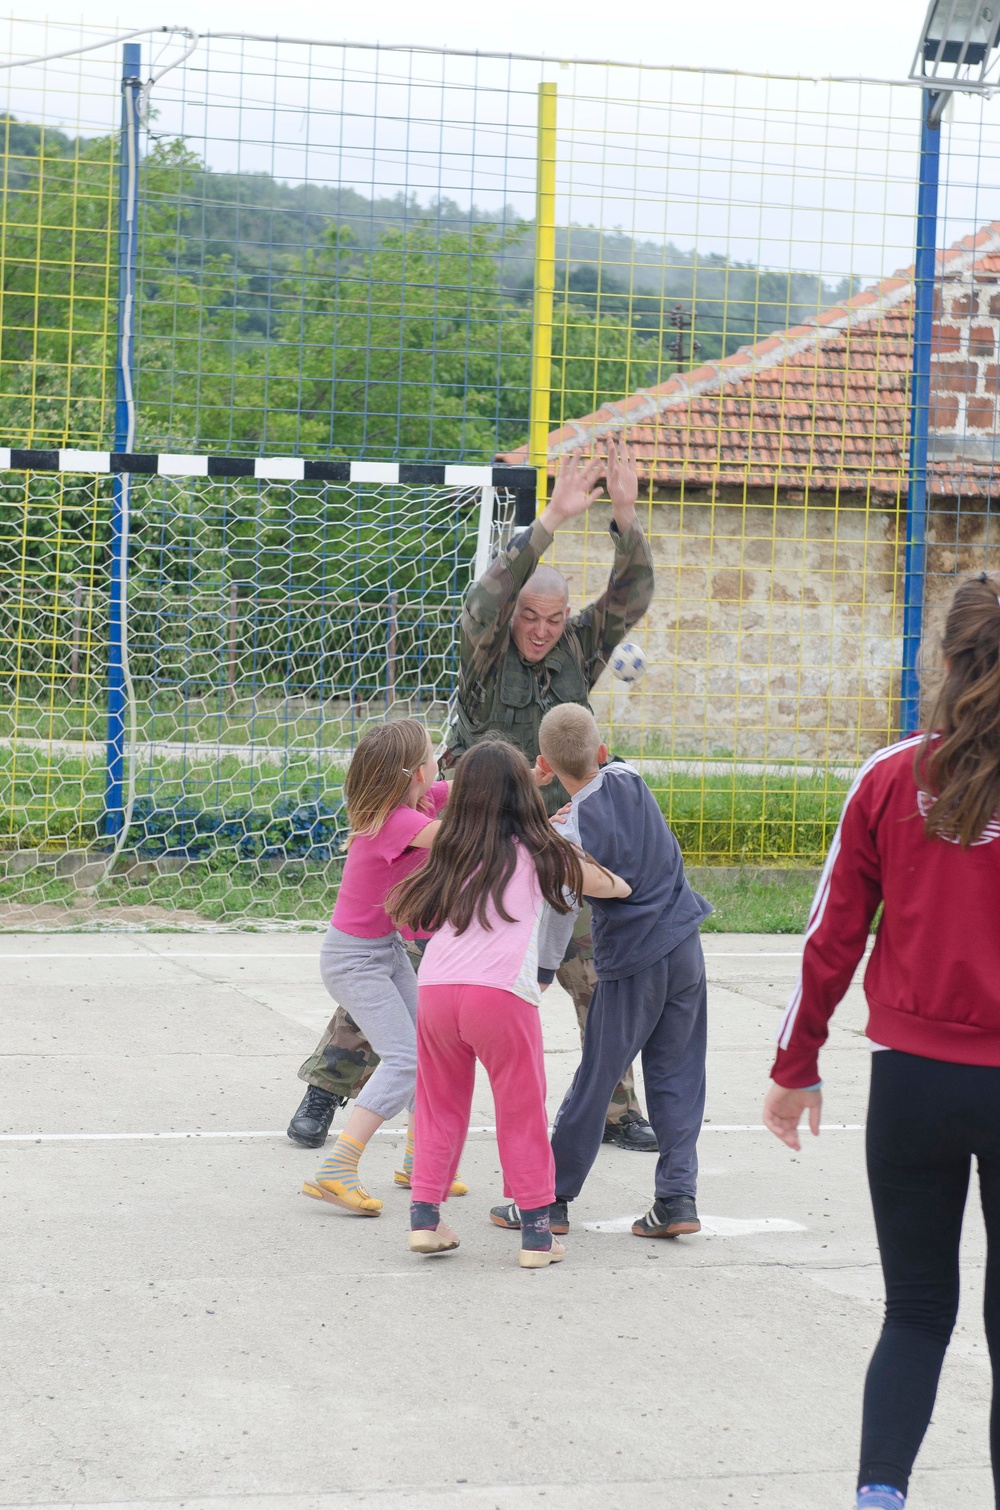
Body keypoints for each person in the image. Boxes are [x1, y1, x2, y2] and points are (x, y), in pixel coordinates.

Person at [287, 436, 658, 1153]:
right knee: (413, 963)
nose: (542, 632)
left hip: (549, 834)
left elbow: (633, 594)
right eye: (531, 618)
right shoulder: (485, 651)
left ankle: (617, 1108)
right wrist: (551, 519)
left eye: (554, 621)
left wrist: (625, 513)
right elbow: (485, 600)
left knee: (593, 968)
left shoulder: (582, 646)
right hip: (466, 832)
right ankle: (327, 1089)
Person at [762, 572, 1000, 1510]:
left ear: (942, 664)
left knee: (915, 1314)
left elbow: (831, 936)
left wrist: (794, 1068)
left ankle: (880, 1496)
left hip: (914, 1088)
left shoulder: (891, 776)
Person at [387, 739, 631, 1267]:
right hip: (499, 994)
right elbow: (614, 888)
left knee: (437, 1107)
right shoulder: (546, 851)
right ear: (525, 792)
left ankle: (425, 1218)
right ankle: (538, 1235)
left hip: (437, 990)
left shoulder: (450, 848)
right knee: (519, 1112)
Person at [490, 704, 712, 1242]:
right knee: (678, 1074)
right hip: (685, 947)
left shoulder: (565, 835)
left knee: (598, 1076)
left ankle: (553, 1198)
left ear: (544, 763)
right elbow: (601, 773)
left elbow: (562, 908)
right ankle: (676, 1198)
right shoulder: (629, 776)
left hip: (632, 961)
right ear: (603, 752)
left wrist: (543, 969)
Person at [299, 718, 466, 1217]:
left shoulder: (411, 803)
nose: (438, 764)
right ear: (417, 770)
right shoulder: (402, 823)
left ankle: (419, 1161)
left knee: (428, 1045)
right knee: (406, 1058)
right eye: (434, 755)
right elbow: (467, 840)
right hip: (355, 961)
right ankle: (338, 1168)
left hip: (381, 951)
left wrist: (522, 779)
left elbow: (461, 788)